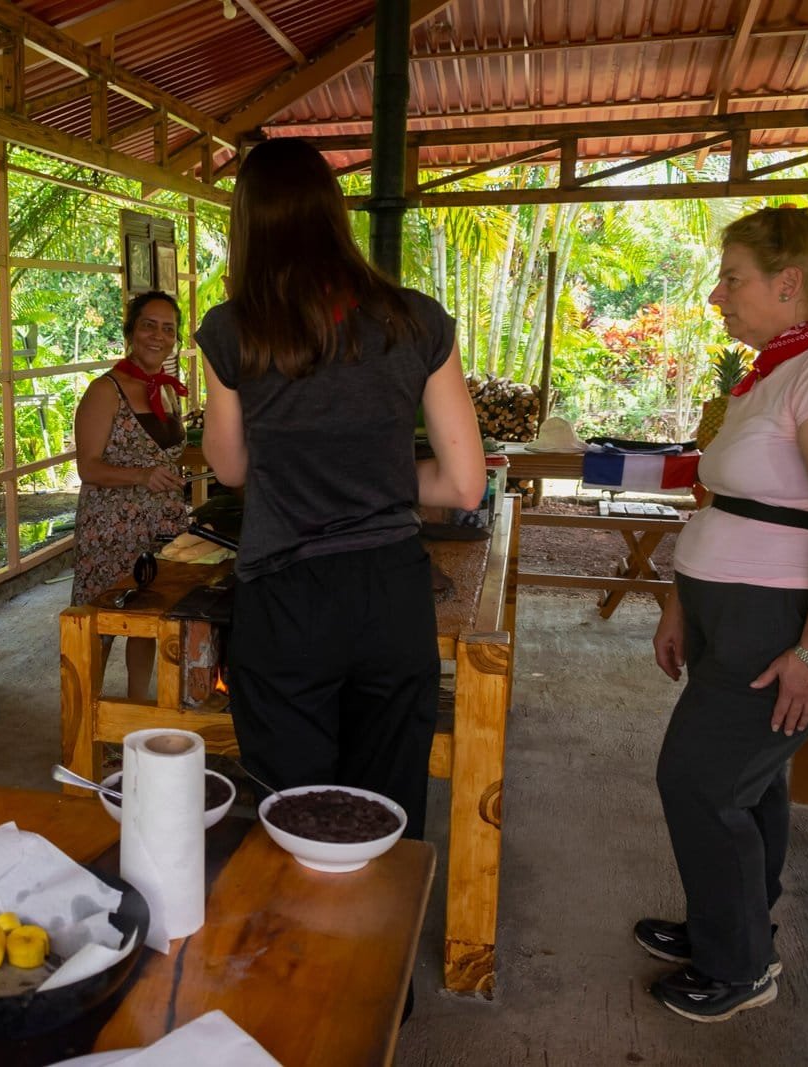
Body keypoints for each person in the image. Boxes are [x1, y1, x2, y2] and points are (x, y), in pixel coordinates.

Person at [643, 205, 808, 1021]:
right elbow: (725, 502)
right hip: (737, 607)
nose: (719, 296)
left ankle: (739, 963)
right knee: (747, 783)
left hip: (786, 616)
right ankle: (730, 923)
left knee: (699, 777)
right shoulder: (775, 369)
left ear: (789, 284)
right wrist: (683, 599)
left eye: (733, 279)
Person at [197, 138, 485, 844]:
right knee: (386, 812)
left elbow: (229, 468)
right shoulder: (415, 319)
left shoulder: (235, 330)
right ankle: (378, 950)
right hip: (390, 596)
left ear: (249, 224)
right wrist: (387, 478)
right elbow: (464, 483)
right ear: (334, 211)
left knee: (294, 816)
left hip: (286, 600)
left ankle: (303, 946)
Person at [71, 290, 190, 700]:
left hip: (159, 530)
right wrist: (142, 476)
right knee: (98, 629)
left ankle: (136, 713)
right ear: (130, 331)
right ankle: (83, 723)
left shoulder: (169, 390)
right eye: (149, 325)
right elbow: (87, 467)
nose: (158, 336)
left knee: (147, 623)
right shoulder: (105, 390)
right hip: (110, 532)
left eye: (168, 328)